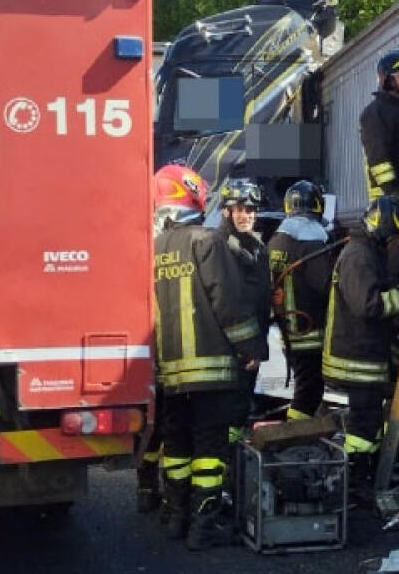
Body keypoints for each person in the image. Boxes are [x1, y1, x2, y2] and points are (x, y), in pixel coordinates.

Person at [152, 165, 266, 551]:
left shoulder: (154, 245)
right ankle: (204, 526)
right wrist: (251, 349)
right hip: (210, 371)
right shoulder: (207, 242)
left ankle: (175, 517)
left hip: (168, 372)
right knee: (209, 451)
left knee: (177, 445)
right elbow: (228, 303)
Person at [321, 197, 399, 488]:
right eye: (395, 235)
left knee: (370, 422)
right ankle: (355, 482)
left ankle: (364, 475)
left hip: (365, 354)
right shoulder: (358, 256)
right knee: (364, 426)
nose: (396, 242)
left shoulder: (370, 252)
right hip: (355, 357)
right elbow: (370, 305)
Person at [267, 180, 334, 420]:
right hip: (309, 332)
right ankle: (293, 434)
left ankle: (295, 431)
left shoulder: (276, 240)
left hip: (287, 331)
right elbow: (326, 285)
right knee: (309, 391)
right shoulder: (312, 242)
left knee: (304, 386)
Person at [218, 178, 274, 426]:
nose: (245, 216)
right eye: (239, 209)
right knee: (232, 410)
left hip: (253, 340)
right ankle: (229, 458)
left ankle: (236, 455)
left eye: (250, 210)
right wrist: (247, 348)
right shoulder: (221, 247)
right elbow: (228, 302)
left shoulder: (255, 245)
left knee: (242, 406)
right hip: (234, 348)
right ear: (226, 211)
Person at [360, 50, 399, 202]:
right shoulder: (374, 113)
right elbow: (377, 155)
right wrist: (391, 192)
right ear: (388, 80)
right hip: (388, 198)